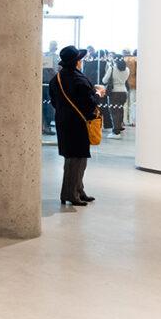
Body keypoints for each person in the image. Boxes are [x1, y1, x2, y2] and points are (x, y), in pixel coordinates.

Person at [48, 45, 99, 207]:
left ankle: (78, 190)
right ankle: (70, 194)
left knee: (75, 158)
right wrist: (98, 95)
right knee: (76, 159)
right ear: (76, 62)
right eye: (80, 59)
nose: (81, 61)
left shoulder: (56, 79)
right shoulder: (79, 79)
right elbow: (89, 104)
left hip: (63, 122)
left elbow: (55, 102)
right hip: (79, 123)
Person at [104, 54, 130, 136]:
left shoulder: (112, 68)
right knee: (120, 110)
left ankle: (116, 131)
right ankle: (119, 127)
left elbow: (104, 80)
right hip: (123, 92)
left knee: (114, 112)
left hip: (114, 93)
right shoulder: (127, 69)